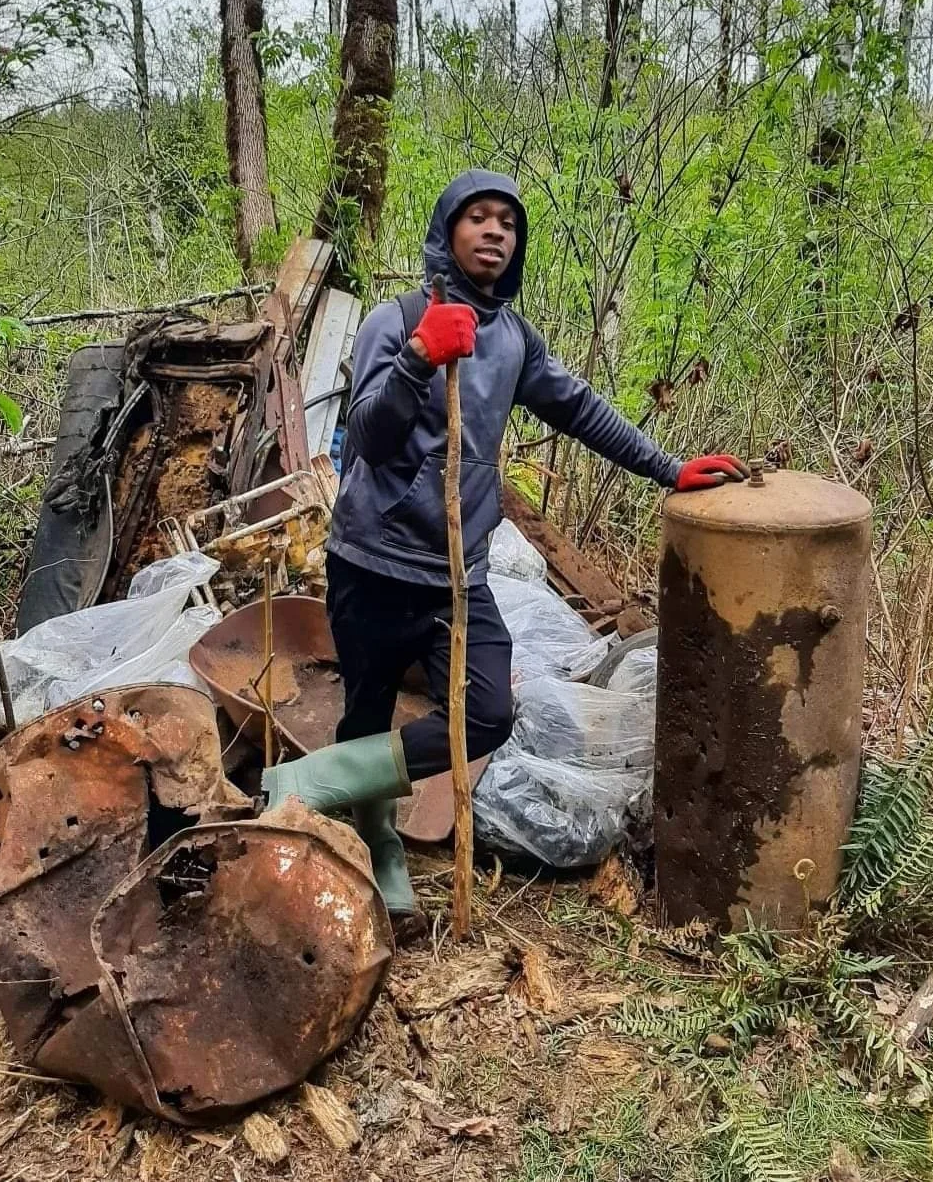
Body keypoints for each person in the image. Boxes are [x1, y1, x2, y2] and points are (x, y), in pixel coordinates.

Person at [263, 169, 747, 938]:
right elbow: (365, 442)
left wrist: (669, 467)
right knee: (366, 706)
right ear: (448, 231)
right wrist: (421, 355)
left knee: (486, 712)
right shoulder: (396, 319)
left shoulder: (514, 341)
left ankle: (309, 779)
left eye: (508, 224)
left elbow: (584, 410)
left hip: (458, 574)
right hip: (373, 560)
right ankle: (382, 845)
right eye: (478, 218)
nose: (494, 232)